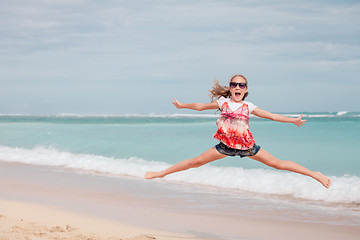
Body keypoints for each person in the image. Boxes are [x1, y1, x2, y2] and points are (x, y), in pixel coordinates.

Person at [145, 75, 331, 188]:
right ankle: (160, 173)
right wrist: (182, 105)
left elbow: (272, 116)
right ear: (230, 88)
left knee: (278, 164)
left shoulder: (249, 106)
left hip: (247, 147)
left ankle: (315, 174)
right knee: (194, 162)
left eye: (241, 85)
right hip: (225, 146)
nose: (237, 88)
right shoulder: (222, 103)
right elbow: (201, 106)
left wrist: (292, 120)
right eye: (234, 85)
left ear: (246, 90)